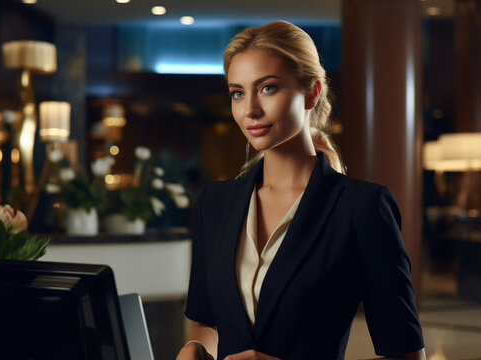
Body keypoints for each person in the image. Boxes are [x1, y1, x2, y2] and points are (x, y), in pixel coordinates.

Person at [177, 20, 426, 360]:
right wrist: (195, 348)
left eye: (268, 88)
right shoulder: (213, 203)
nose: (249, 109)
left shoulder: (362, 207)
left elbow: (407, 355)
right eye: (238, 92)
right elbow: (209, 323)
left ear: (311, 92)